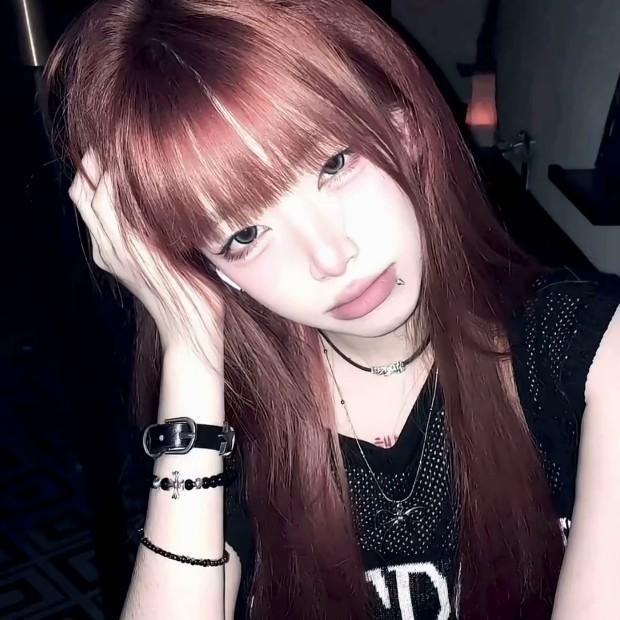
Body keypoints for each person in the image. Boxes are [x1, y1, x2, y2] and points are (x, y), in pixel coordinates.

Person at [43, 1, 620, 618]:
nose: (330, 256)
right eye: (243, 235)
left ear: (405, 130)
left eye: (333, 164)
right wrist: (189, 345)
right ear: (210, 268)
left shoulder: (583, 349)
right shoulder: (228, 417)